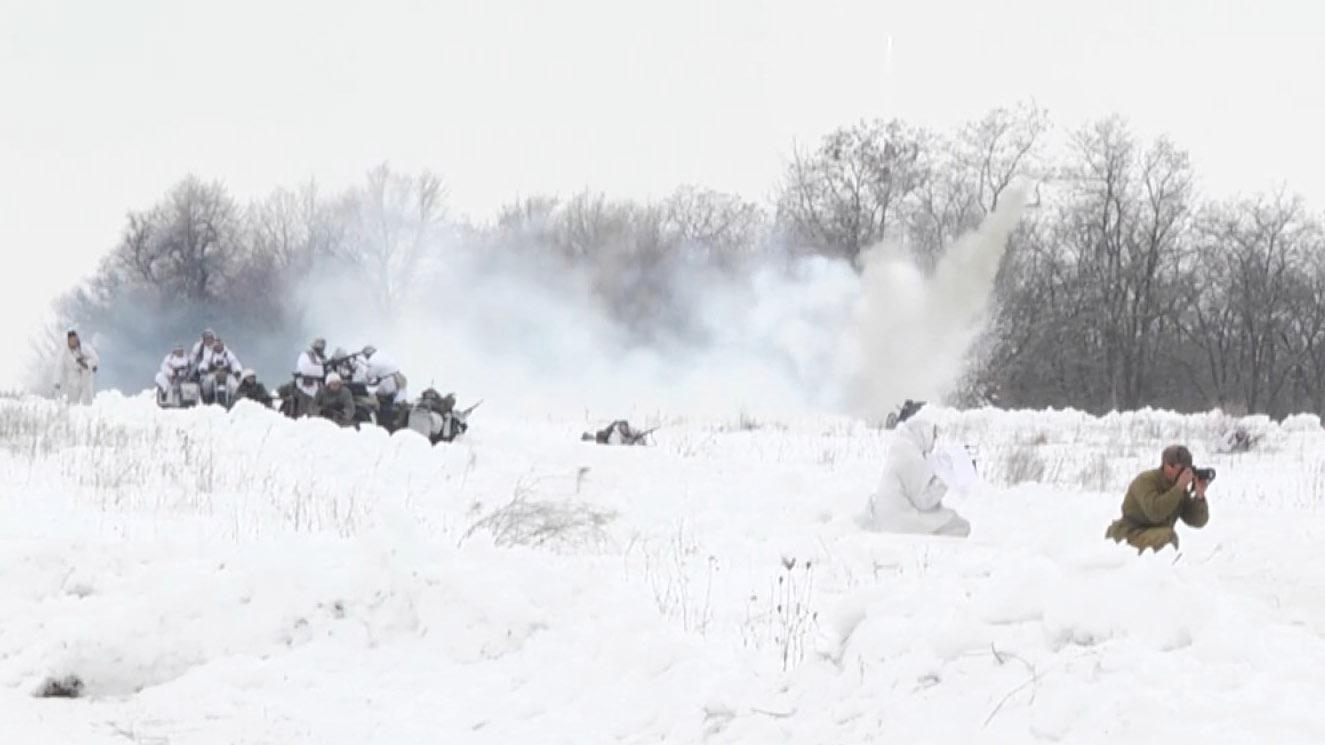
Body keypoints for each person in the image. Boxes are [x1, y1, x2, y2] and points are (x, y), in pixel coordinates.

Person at [861, 415, 970, 537]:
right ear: (923, 434)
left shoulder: (902, 447)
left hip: (888, 513)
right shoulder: (911, 456)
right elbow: (923, 501)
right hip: (899, 519)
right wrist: (945, 479)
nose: (934, 443)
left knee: (949, 518)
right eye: (933, 437)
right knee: (959, 525)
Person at [1106, 445, 1210, 553]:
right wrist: (1179, 487)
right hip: (1131, 533)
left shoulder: (1178, 488)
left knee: (1166, 534)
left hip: (1153, 533)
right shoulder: (1146, 480)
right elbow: (1155, 512)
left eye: (1187, 469)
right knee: (1167, 535)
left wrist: (1199, 496)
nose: (1184, 474)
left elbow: (1197, 521)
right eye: (1181, 469)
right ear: (1167, 466)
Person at [360, 345, 407, 425]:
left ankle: (383, 416)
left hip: (390, 381)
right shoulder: (382, 357)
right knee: (391, 398)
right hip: (399, 378)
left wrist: (360, 382)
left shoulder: (374, 360)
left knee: (377, 396)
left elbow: (368, 376)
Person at [53, 329, 99, 404]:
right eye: (71, 340)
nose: (73, 341)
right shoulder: (64, 352)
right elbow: (59, 367)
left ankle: (87, 411)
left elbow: (95, 359)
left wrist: (87, 364)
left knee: (87, 402)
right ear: (67, 341)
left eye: (75, 339)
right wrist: (57, 381)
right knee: (72, 403)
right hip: (73, 379)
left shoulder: (85, 347)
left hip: (86, 377)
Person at [198, 338, 243, 404]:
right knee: (206, 385)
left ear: (222, 345)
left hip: (227, 375)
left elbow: (234, 362)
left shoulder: (228, 353)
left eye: (219, 345)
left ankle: (233, 401)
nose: (218, 347)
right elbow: (205, 362)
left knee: (235, 385)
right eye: (216, 345)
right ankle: (207, 400)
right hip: (213, 374)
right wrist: (203, 368)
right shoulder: (210, 354)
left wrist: (237, 370)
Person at [581, 420, 653, 445]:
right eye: (622, 427)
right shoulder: (615, 434)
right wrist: (628, 442)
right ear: (620, 427)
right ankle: (587, 436)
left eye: (625, 426)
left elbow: (638, 432)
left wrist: (640, 436)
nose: (624, 428)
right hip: (606, 440)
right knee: (594, 439)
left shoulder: (630, 429)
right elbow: (617, 445)